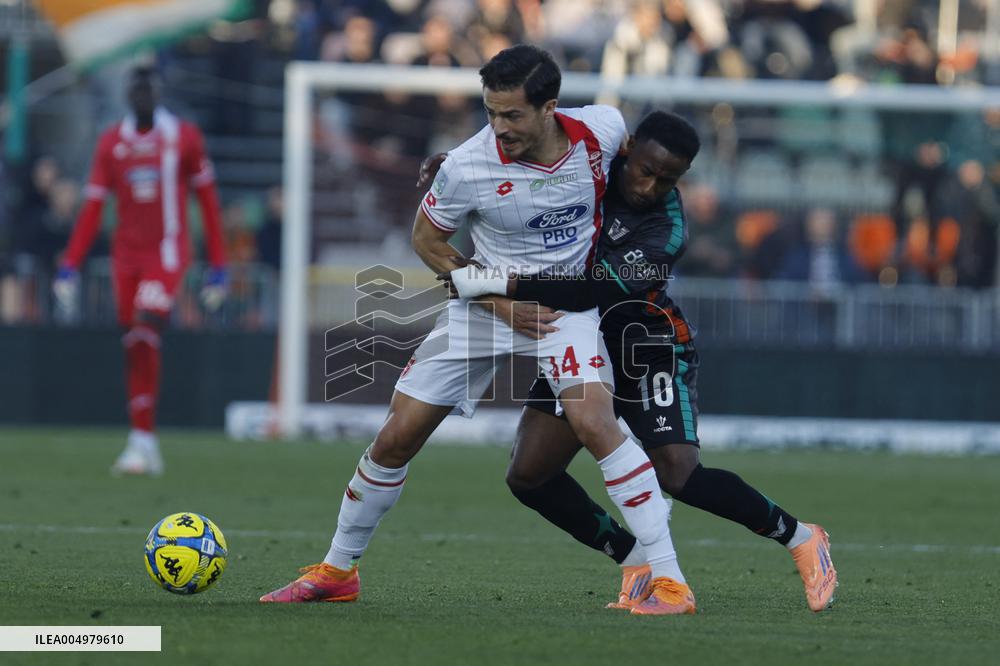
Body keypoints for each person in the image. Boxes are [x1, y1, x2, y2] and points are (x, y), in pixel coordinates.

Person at [261, 45, 695, 615]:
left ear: (549, 109)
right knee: (396, 436)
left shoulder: (602, 130)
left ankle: (668, 581)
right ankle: (338, 570)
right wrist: (496, 302)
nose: (499, 127)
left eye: (512, 115)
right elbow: (427, 241)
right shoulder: (468, 166)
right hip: (486, 308)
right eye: (490, 113)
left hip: (566, 311)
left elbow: (651, 176)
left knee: (594, 421)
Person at [440, 110, 838, 613]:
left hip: (644, 344)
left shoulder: (667, 230)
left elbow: (590, 288)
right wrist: (456, 170)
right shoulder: (590, 171)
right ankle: (635, 561)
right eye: (645, 170)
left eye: (667, 178)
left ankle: (801, 537)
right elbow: (525, 173)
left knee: (679, 474)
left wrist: (493, 282)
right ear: (627, 150)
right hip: (579, 340)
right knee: (529, 476)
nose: (651, 185)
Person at [53, 65, 227, 476]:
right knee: (134, 340)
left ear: (158, 92)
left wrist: (218, 265)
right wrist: (69, 264)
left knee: (147, 328)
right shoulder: (112, 142)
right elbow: (93, 207)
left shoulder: (183, 137)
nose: (143, 96)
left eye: (149, 89)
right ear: (128, 95)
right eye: (137, 90)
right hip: (125, 258)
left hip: (166, 253)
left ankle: (142, 441)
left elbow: (208, 202)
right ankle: (144, 440)